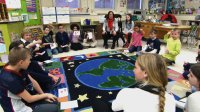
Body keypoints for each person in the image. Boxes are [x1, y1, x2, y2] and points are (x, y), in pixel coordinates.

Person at [0, 47, 59, 112]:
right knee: (54, 108)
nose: (30, 61)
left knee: (54, 102)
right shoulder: (10, 79)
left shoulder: (16, 66)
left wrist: (44, 96)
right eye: (28, 60)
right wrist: (46, 95)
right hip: (19, 108)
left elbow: (33, 81)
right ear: (21, 62)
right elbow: (29, 99)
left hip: (25, 99)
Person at [112, 53, 176, 112]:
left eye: (135, 67)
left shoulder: (126, 93)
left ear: (145, 73)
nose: (133, 70)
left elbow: (114, 107)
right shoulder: (171, 100)